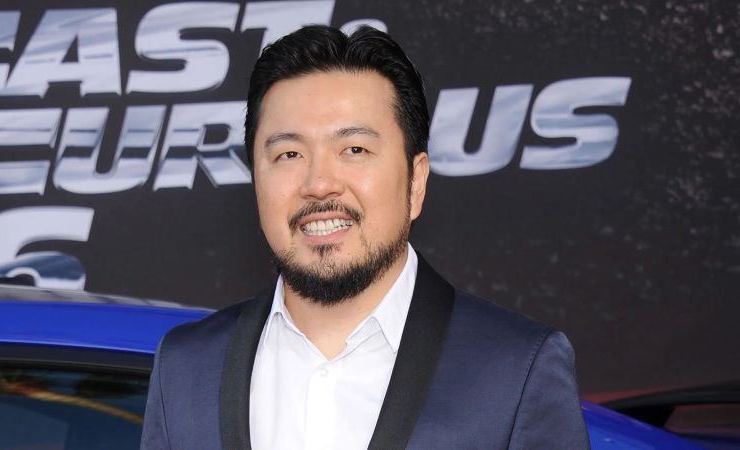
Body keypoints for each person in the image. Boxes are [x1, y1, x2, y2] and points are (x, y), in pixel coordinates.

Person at [141, 25, 590, 450]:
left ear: (416, 182)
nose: (319, 184)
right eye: (289, 154)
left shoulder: (516, 370)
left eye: (354, 150)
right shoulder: (188, 366)